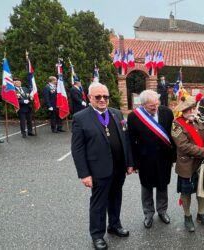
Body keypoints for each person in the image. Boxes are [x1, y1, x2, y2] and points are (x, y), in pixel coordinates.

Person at [71, 82, 134, 250]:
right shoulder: (80, 118)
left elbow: (125, 140)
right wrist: (84, 174)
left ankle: (114, 225)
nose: (102, 100)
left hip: (119, 168)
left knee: (116, 198)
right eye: (98, 97)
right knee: (98, 204)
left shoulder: (117, 114)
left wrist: (129, 163)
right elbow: (77, 149)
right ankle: (97, 235)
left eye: (105, 96)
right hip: (98, 170)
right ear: (90, 97)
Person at [127, 90, 176, 229]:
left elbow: (172, 137)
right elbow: (131, 142)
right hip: (145, 159)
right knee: (146, 186)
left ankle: (162, 211)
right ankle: (148, 213)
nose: (155, 108)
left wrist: (174, 157)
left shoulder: (167, 112)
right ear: (143, 105)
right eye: (151, 106)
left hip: (164, 158)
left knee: (163, 185)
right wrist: (133, 163)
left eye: (157, 104)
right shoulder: (133, 117)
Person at [171, 96, 204, 232]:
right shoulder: (176, 125)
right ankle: (187, 216)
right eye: (188, 109)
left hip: (202, 162)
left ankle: (201, 214)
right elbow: (184, 146)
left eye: (193, 108)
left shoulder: (199, 120)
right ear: (183, 111)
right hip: (187, 164)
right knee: (186, 193)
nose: (191, 111)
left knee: (203, 190)